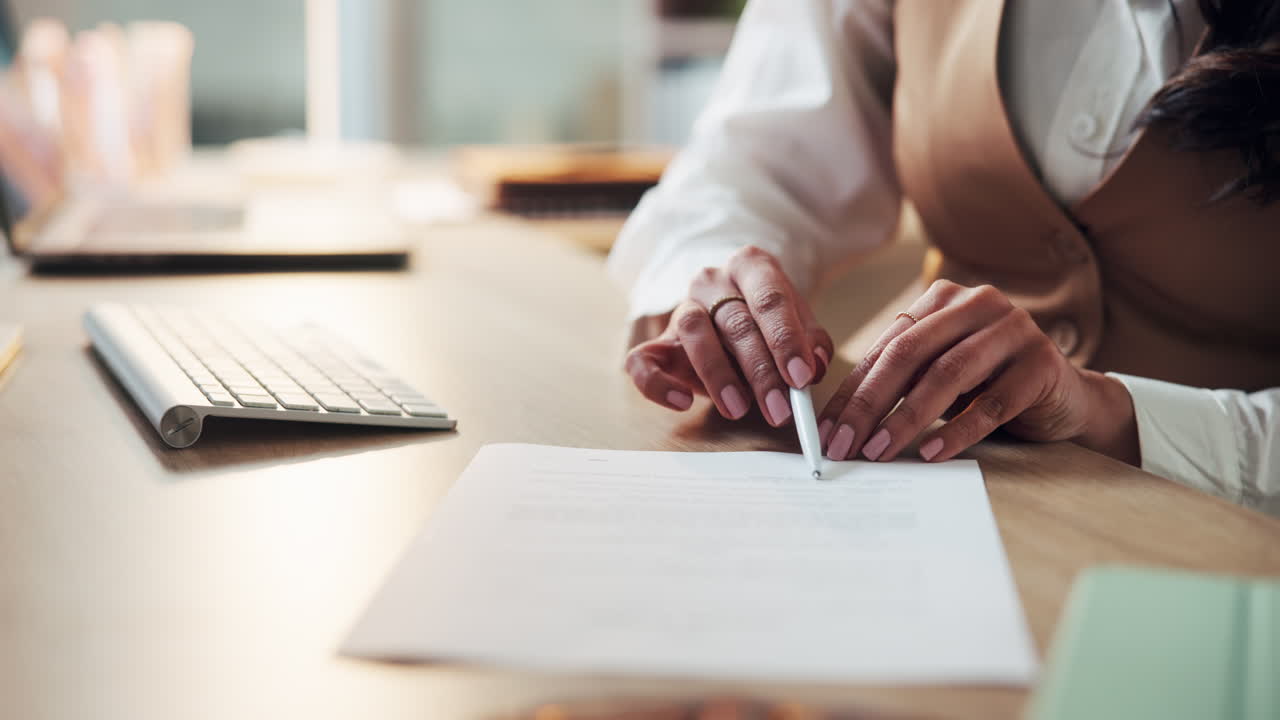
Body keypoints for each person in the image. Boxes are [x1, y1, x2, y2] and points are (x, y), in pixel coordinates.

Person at [609, 0, 1280, 515]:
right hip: (913, 495)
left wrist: (1112, 412)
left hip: (1225, 539)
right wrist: (726, 283)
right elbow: (755, 167)